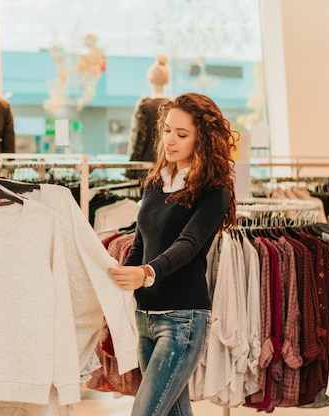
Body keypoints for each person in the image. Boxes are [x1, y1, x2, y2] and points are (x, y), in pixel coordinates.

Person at [108, 92, 238, 416]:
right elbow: (140, 241)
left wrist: (146, 274)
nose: (170, 139)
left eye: (181, 134)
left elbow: (188, 244)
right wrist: (125, 273)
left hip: (183, 319)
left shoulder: (214, 190)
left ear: (202, 139)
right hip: (144, 317)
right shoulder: (155, 182)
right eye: (167, 130)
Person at [126, 54, 171, 180]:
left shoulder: (145, 106)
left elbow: (138, 142)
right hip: (168, 170)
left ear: (150, 80)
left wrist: (130, 171)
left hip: (146, 172)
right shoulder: (174, 106)